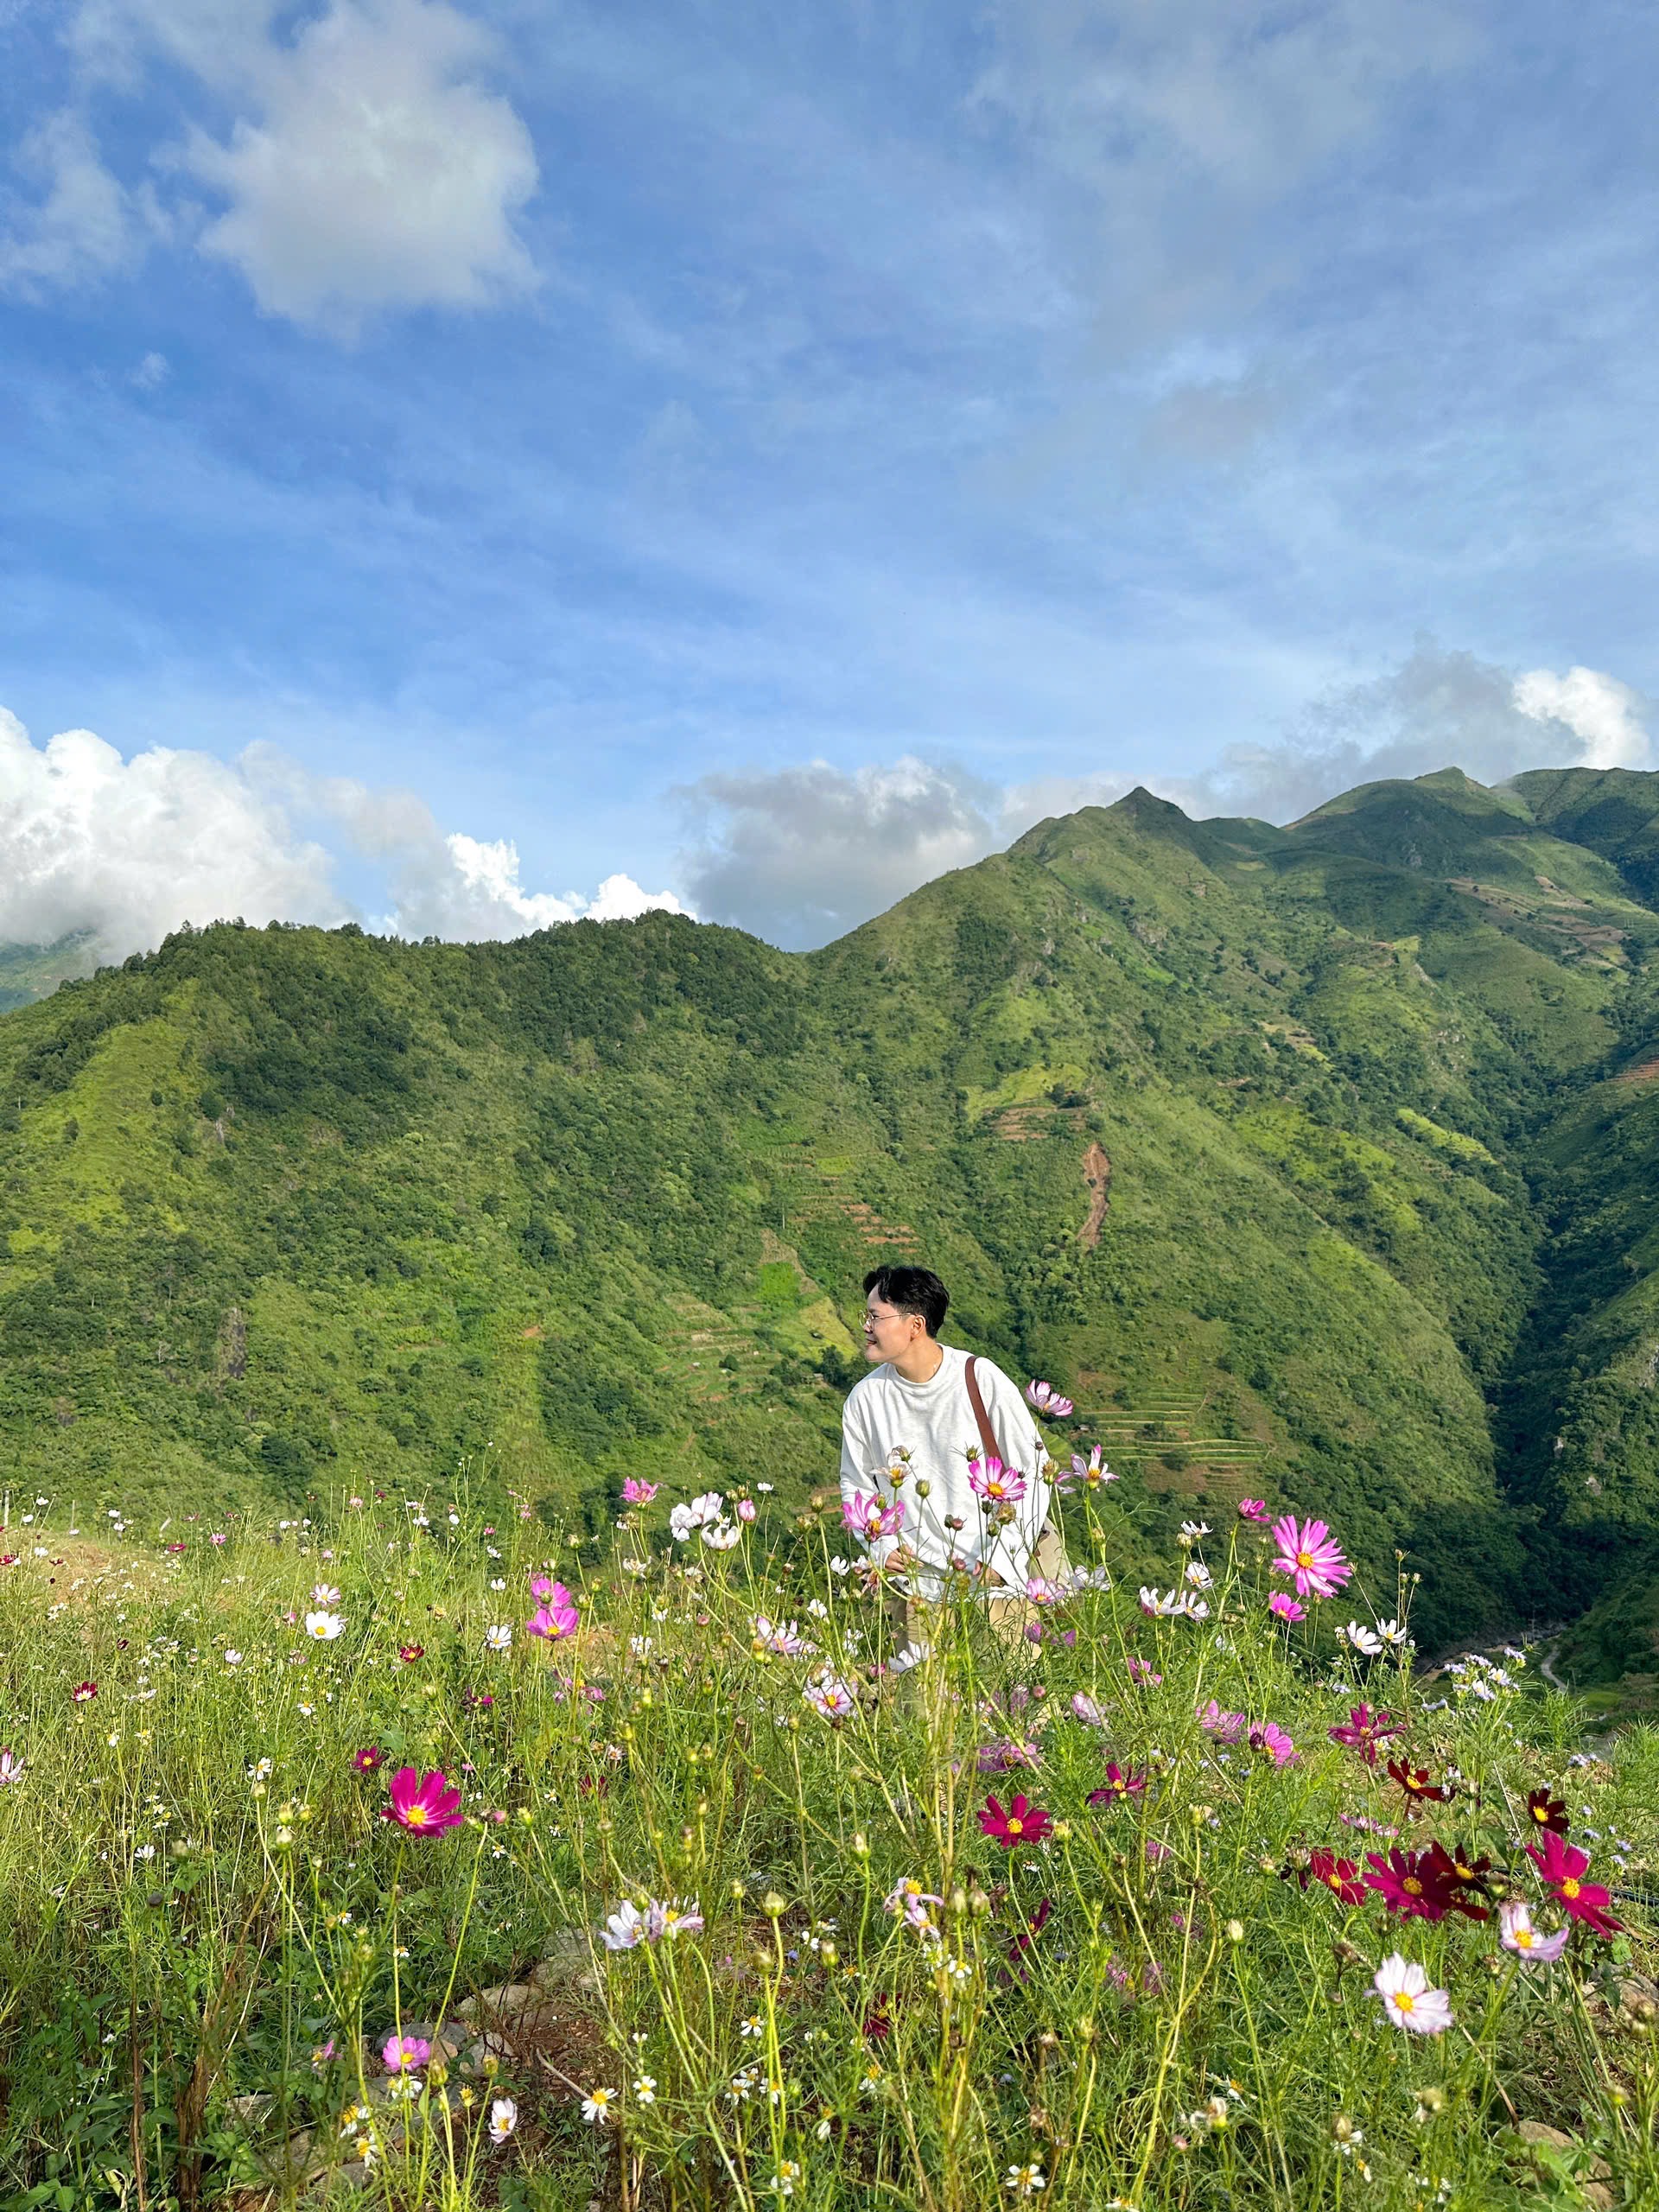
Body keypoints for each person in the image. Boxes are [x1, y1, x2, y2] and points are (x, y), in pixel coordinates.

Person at [837, 1263, 1063, 1633]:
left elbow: (1034, 1470)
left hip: (994, 1581)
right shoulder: (865, 1400)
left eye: (875, 1317)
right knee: (923, 1691)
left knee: (1014, 1688)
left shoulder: (979, 1377)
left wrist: (1002, 1561)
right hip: (918, 1588)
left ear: (915, 1325)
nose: (866, 1326)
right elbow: (857, 1485)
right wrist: (880, 1545)